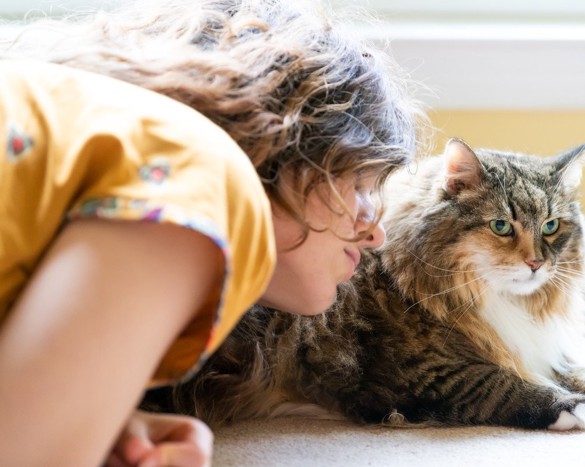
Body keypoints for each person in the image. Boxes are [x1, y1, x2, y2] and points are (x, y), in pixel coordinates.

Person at [0, 0, 426, 465]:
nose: (375, 234)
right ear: (291, 137)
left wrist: (93, 415)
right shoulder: (205, 177)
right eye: (362, 184)